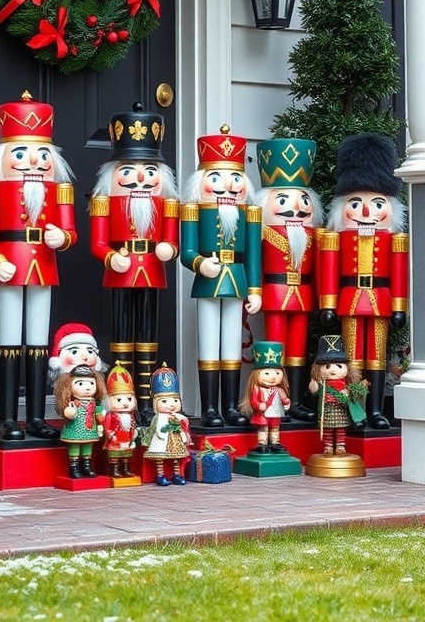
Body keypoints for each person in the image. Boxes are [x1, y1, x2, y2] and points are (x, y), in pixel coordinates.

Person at [0, 92, 77, 441]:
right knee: (8, 342)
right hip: (9, 264)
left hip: (43, 266)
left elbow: (71, 233)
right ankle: (7, 418)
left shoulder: (60, 189)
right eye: (20, 154)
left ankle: (35, 416)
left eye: (42, 154)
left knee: (37, 343)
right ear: (3, 157)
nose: (33, 161)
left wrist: (61, 238)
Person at [89, 102, 179, 421]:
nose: (140, 177)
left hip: (151, 270)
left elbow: (172, 240)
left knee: (148, 337)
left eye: (150, 171)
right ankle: (121, 396)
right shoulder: (105, 200)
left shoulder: (167, 203)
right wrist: (111, 256)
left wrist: (169, 248)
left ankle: (145, 401)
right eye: (128, 170)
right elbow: (98, 242)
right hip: (121, 271)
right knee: (122, 337)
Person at [317, 133, 408, 430]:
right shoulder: (336, 238)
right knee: (353, 357)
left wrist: (399, 307)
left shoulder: (395, 240)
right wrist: (328, 304)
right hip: (350, 299)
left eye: (377, 203)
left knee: (377, 357)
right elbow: (329, 271)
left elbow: (399, 274)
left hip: (380, 299)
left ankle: (377, 411)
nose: (367, 212)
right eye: (356, 204)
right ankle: (356, 412)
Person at [180, 126, 262, 428]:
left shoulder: (249, 213)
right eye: (215, 179)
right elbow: (186, 252)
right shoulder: (193, 210)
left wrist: (255, 290)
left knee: (231, 345)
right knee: (208, 345)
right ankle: (210, 408)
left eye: (235, 180)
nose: (227, 188)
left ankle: (230, 407)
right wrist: (200, 263)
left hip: (237, 279)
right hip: (208, 281)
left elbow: (253, 256)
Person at [254, 138, 324, 422]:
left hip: (303, 294)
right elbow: (255, 263)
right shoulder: (262, 232)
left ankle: (293, 401)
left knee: (297, 350)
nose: (295, 208)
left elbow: (322, 267)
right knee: (275, 348)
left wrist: (324, 299)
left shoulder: (314, 235)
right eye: (282, 200)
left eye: (303, 200)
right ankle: (273, 402)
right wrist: (254, 291)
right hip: (274, 292)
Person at [308, 334, 367, 456]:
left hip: (341, 410)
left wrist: (350, 393)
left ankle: (340, 445)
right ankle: (328, 446)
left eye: (339, 366)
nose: (332, 370)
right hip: (327, 410)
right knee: (328, 429)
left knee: (341, 429)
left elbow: (353, 396)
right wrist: (314, 387)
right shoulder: (323, 385)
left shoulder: (346, 385)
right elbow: (315, 391)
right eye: (327, 366)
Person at [54, 364, 107, 479]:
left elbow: (98, 414)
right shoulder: (73, 403)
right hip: (75, 430)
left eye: (91, 383)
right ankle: (74, 468)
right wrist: (70, 412)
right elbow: (68, 413)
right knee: (75, 446)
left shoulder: (94, 403)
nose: (87, 388)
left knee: (88, 446)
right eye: (81, 384)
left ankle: (86, 467)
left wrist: (102, 419)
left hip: (90, 430)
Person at [239, 341, 291, 453]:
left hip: (275, 414)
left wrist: (286, 401)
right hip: (263, 414)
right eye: (267, 373)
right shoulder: (257, 389)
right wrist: (259, 405)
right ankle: (262, 444)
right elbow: (254, 401)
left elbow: (283, 400)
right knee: (263, 428)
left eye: (277, 373)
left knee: (275, 428)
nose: (273, 377)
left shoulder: (279, 390)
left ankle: (274, 443)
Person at [143, 363, 191, 486]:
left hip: (175, 440)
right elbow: (157, 428)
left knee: (176, 458)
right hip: (162, 440)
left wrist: (180, 423)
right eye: (164, 401)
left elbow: (184, 423)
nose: (171, 405)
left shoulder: (178, 416)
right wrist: (161, 433)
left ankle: (176, 475)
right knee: (160, 458)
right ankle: (160, 475)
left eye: (175, 400)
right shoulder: (159, 417)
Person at [103, 361, 139, 479]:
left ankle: (126, 470)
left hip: (127, 439)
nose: (125, 403)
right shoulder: (111, 415)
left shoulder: (131, 415)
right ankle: (114, 471)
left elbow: (132, 425)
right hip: (116, 440)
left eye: (129, 399)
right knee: (115, 457)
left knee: (126, 456)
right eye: (119, 400)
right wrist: (111, 435)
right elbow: (107, 427)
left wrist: (133, 433)